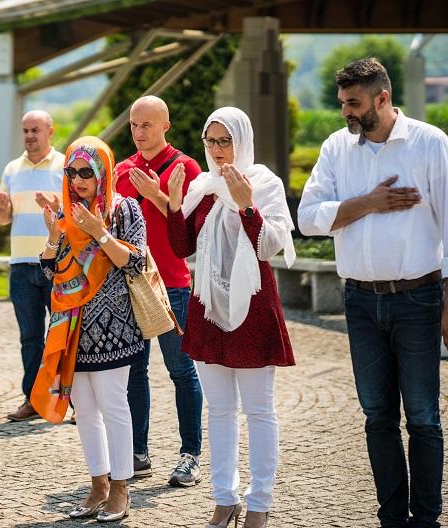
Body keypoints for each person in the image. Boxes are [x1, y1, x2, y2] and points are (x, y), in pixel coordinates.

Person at [298, 58, 448, 528]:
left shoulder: (430, 144)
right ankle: (392, 518)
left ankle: (427, 520)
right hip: (358, 301)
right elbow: (308, 217)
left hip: (420, 300)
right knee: (377, 416)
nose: (345, 113)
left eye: (353, 103)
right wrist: (368, 203)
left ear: (382, 98)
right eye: (341, 103)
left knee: (422, 416)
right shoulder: (337, 148)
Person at [166, 107, 296, 528]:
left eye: (226, 141)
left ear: (243, 140)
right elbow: (181, 245)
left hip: (253, 306)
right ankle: (224, 499)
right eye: (211, 142)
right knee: (219, 410)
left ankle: (259, 503)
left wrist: (246, 206)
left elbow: (269, 246)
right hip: (207, 306)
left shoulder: (264, 183)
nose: (219, 151)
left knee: (258, 409)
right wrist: (171, 203)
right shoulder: (204, 186)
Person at [31, 136, 147, 522]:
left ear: (103, 173)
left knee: (114, 406)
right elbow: (50, 270)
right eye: (71, 172)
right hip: (72, 328)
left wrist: (99, 232)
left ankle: (121, 487)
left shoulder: (124, 210)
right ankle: (97, 483)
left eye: (86, 172)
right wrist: (53, 234)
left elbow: (135, 262)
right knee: (84, 410)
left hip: (114, 328)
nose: (78, 180)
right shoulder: (66, 212)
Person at [114, 95, 205, 486]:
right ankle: (138, 452)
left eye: (147, 124)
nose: (139, 132)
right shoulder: (120, 170)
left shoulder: (186, 167)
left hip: (172, 284)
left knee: (181, 371)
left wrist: (158, 197)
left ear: (165, 125)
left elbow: (194, 231)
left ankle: (191, 455)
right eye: (134, 124)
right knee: (133, 373)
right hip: (129, 284)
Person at [0, 110, 64, 422]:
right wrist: (3, 210)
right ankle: (33, 400)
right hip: (21, 265)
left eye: (35, 129)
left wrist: (57, 210)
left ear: (50, 130)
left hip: (57, 263)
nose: (29, 135)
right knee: (29, 337)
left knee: (62, 335)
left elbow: (74, 215)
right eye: (25, 130)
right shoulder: (12, 169)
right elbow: (3, 220)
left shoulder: (65, 166)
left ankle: (72, 400)